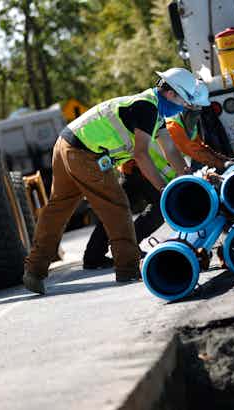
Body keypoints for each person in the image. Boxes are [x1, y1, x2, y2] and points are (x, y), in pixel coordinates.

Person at [22, 68, 199, 294]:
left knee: (58, 208)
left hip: (65, 143)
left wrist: (188, 180)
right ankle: (128, 269)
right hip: (84, 152)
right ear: (172, 94)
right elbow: (141, 155)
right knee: (116, 206)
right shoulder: (147, 107)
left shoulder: (154, 111)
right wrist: (164, 190)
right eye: (185, 100)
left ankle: (34, 271)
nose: (184, 106)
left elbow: (171, 150)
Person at [82, 81, 228, 269]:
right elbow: (187, 150)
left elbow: (193, 149)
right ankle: (122, 249)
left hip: (141, 168)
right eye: (192, 106)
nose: (194, 111)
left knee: (118, 209)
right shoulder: (172, 121)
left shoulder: (179, 119)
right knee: (155, 209)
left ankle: (96, 255)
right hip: (140, 169)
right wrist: (216, 166)